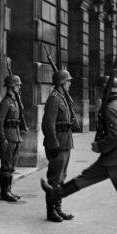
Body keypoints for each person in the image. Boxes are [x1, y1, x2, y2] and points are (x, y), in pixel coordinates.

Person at [41, 77, 117, 234]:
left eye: (100, 90)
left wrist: (99, 146)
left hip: (115, 160)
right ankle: (55, 193)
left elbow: (115, 136)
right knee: (85, 177)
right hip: (113, 158)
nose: (98, 93)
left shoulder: (110, 108)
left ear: (106, 90)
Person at [41, 69, 79, 223]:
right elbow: (47, 124)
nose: (70, 83)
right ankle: (51, 212)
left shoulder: (63, 98)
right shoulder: (55, 98)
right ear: (62, 83)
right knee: (55, 179)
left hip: (65, 142)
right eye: (68, 81)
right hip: (58, 144)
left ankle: (58, 209)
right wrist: (54, 144)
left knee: (61, 178)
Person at [0, 74, 25, 202]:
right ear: (11, 86)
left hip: (16, 137)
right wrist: (2, 139)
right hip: (8, 138)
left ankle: (9, 190)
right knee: (6, 166)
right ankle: (4, 193)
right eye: (17, 85)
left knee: (12, 166)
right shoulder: (5, 102)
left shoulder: (15, 101)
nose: (19, 87)